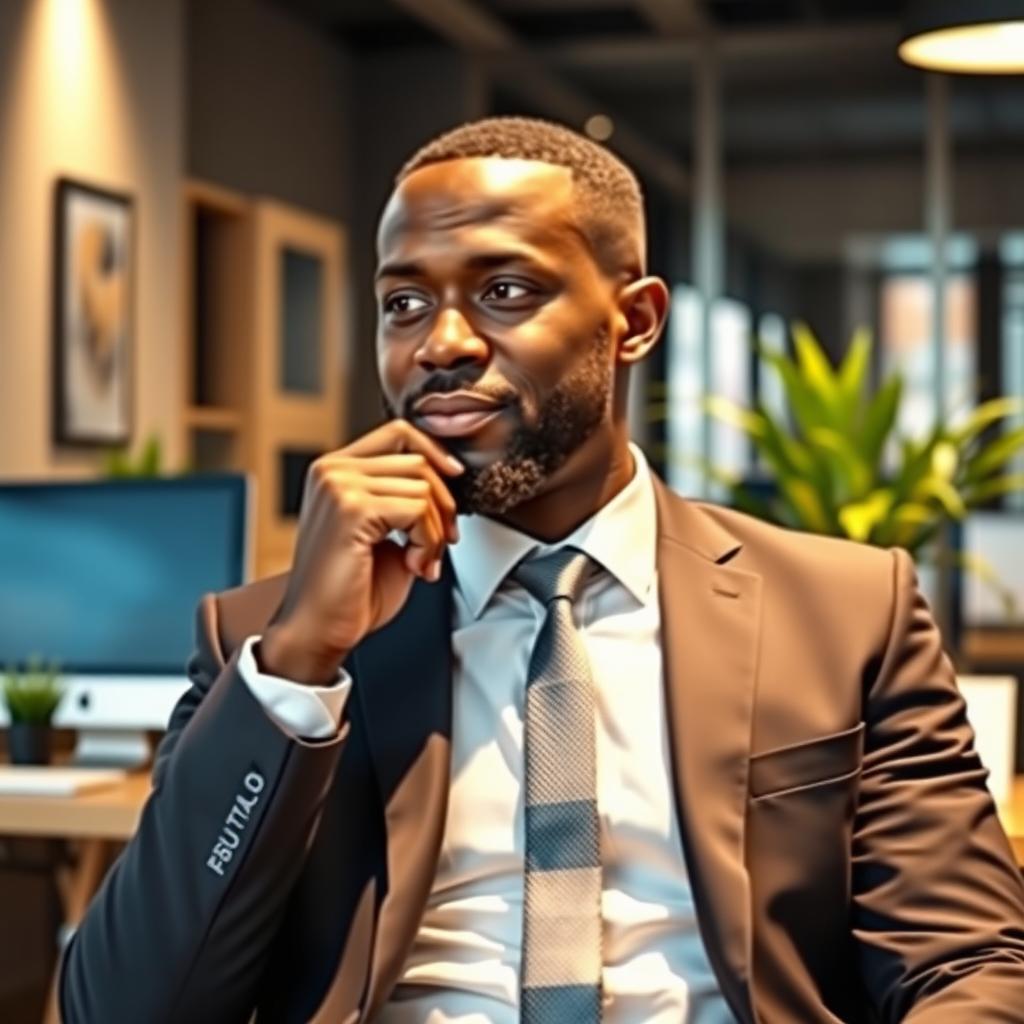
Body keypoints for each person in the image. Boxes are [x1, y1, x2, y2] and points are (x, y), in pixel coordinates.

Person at [60, 117, 1024, 1024]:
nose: (441, 343)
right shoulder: (267, 640)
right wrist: (301, 664)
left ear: (635, 320)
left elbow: (967, 961)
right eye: (405, 303)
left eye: (505, 292)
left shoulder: (849, 611)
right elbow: (123, 1005)